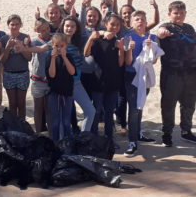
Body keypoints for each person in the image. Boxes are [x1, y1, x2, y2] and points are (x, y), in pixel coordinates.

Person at [123, 10, 164, 156]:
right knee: (133, 108)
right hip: (131, 75)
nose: (140, 22)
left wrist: (149, 48)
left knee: (140, 107)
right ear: (132, 22)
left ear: (146, 23)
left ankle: (138, 133)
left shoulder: (151, 37)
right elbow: (127, 62)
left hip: (145, 76)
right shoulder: (127, 37)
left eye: (142, 19)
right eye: (137, 19)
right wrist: (129, 49)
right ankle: (132, 141)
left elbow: (153, 61)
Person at [157, 1, 196, 146]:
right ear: (169, 14)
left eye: (181, 13)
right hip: (171, 74)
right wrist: (162, 32)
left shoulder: (190, 28)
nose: (179, 15)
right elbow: (159, 33)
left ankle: (186, 132)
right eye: (175, 13)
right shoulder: (167, 27)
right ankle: (167, 133)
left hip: (191, 73)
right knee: (168, 105)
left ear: (185, 13)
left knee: (189, 104)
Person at [84, 12, 125, 148]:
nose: (114, 27)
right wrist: (91, 39)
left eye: (117, 25)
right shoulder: (97, 38)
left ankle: (109, 139)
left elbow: (120, 63)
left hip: (113, 82)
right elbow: (86, 54)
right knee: (96, 111)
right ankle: (94, 138)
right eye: (112, 24)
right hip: (97, 81)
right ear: (106, 24)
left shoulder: (118, 41)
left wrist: (121, 50)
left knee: (109, 113)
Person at [0, 14, 32, 119]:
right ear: (8, 25)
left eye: (17, 24)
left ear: (21, 25)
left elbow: (29, 58)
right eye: (12, 24)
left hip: (23, 73)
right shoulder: (4, 39)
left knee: (21, 103)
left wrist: (22, 48)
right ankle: (14, 126)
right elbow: (2, 60)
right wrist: (8, 47)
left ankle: (22, 125)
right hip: (8, 73)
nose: (14, 27)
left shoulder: (25, 38)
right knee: (12, 104)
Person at [45, 33, 76, 141]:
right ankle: (56, 144)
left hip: (67, 93)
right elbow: (52, 75)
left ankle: (68, 144)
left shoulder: (69, 57)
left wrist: (64, 57)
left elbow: (72, 72)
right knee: (55, 122)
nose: (59, 48)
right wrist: (53, 59)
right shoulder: (49, 57)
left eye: (61, 46)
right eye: (56, 46)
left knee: (67, 122)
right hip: (54, 93)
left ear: (66, 46)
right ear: (52, 45)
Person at [30, 18, 52, 134]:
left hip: (51, 81)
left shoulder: (54, 40)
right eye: (43, 30)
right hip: (37, 80)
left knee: (49, 110)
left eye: (47, 28)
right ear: (37, 30)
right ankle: (38, 134)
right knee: (38, 109)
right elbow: (27, 48)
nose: (46, 31)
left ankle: (52, 135)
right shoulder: (34, 41)